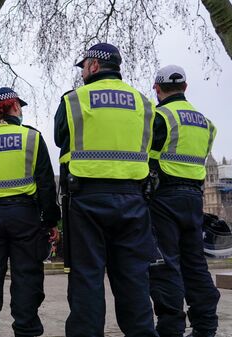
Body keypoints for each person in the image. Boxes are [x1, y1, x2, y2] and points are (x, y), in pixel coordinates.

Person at [54, 43, 158, 336]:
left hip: (87, 198)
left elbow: (61, 137)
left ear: (95, 66)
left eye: (84, 65)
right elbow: (153, 144)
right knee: (134, 279)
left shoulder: (75, 100)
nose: (83, 71)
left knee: (87, 278)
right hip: (133, 199)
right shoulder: (143, 103)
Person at [0, 87, 61, 337]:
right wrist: (50, 220)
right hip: (24, 215)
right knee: (27, 275)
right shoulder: (32, 138)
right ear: (16, 107)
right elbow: (46, 184)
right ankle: (26, 328)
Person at [148, 65, 220, 337]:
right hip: (194, 199)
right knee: (195, 264)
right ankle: (205, 326)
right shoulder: (206, 123)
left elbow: (148, 158)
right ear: (185, 88)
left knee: (165, 265)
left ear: (157, 88)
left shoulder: (159, 117)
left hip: (163, 197)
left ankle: (170, 329)